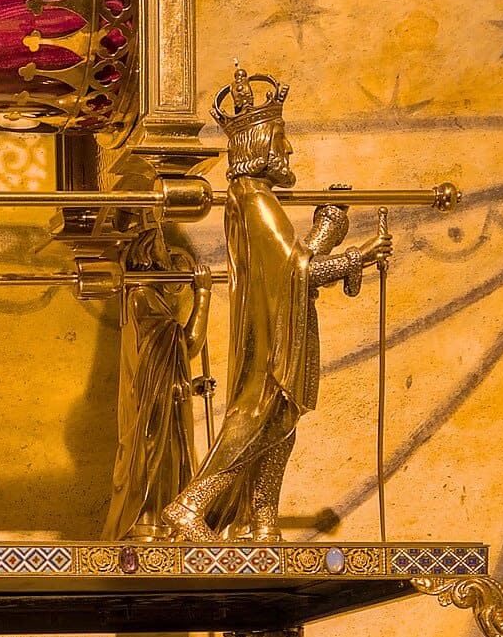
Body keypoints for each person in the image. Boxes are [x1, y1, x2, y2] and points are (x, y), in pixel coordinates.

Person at [158, 68, 388, 541]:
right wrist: (356, 256)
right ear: (261, 144)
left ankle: (260, 523)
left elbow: (290, 267)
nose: (287, 152)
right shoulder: (255, 200)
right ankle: (190, 505)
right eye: (280, 141)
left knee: (279, 424)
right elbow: (296, 273)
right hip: (269, 344)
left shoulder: (255, 199)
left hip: (279, 332)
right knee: (255, 419)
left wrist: (328, 231)